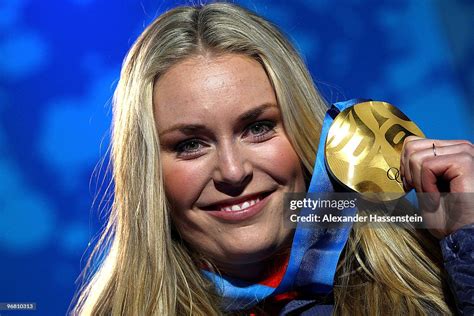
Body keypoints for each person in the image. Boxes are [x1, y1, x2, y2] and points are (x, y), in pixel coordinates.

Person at [71, 3, 474, 315]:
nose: (232, 171)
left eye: (258, 127)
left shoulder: (430, 279)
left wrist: (467, 240)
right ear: (148, 172)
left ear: (305, 134)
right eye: (191, 144)